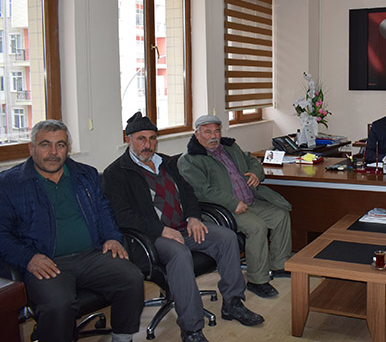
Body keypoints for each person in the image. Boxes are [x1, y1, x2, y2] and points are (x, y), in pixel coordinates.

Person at [102, 113, 264, 342]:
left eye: (152, 138)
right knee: (179, 253)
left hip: (183, 228)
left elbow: (188, 193)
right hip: (150, 237)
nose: (147, 144)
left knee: (227, 238)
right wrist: (161, 230)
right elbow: (122, 215)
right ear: (129, 140)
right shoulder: (116, 173)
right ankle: (192, 329)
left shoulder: (167, 162)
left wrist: (193, 217)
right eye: (141, 139)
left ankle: (233, 303)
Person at [0, 120, 144, 342]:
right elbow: (2, 234)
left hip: (91, 255)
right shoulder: (9, 184)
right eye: (45, 144)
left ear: (67, 148)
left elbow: (104, 211)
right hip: (46, 261)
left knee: (132, 278)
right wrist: (28, 258)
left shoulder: (85, 175)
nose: (53, 152)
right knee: (58, 303)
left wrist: (112, 237)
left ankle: (122, 338)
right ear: (31, 148)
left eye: (60, 145)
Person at [178, 115, 292, 299]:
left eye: (216, 131)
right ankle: (257, 280)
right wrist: (232, 203)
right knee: (257, 227)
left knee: (280, 215)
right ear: (197, 134)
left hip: (250, 200)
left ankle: (279, 265)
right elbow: (201, 191)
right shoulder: (190, 160)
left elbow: (251, 160)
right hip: (224, 209)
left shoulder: (230, 147)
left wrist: (255, 173)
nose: (213, 136)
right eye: (207, 132)